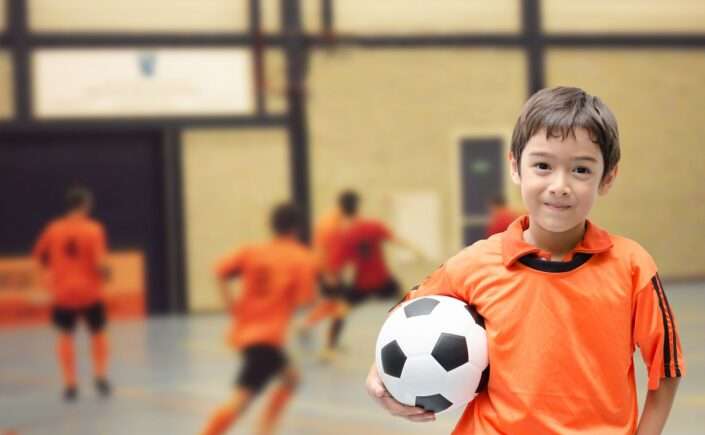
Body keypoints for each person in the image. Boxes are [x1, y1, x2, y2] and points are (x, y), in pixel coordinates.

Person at [365, 86, 685, 434]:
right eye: (543, 165)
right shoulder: (475, 264)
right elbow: (406, 315)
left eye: (581, 170)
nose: (559, 185)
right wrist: (381, 373)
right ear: (516, 167)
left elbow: (666, 370)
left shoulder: (632, 267)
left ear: (607, 177)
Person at [200, 203, 318, 435]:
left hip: (244, 332)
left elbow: (219, 272)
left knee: (291, 379)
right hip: (267, 338)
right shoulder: (301, 258)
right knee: (241, 400)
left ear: (272, 226)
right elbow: (306, 300)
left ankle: (266, 430)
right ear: (296, 228)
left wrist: (231, 307)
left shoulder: (251, 251)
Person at [315, 190, 423, 361]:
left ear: (341, 209)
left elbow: (337, 265)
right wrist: (415, 250)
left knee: (341, 310)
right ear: (358, 206)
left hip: (361, 284)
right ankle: (421, 339)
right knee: (407, 304)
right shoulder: (372, 226)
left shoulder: (342, 235)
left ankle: (329, 348)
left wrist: (331, 279)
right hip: (383, 279)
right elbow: (395, 239)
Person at [32, 186, 111, 401]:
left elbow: (39, 255)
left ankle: (70, 384)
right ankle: (100, 375)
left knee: (65, 335)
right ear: (85, 205)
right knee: (98, 332)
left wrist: (51, 275)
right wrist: (107, 273)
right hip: (90, 292)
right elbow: (100, 263)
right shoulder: (94, 229)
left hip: (63, 292)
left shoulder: (53, 229)